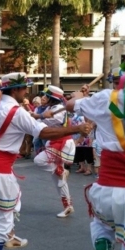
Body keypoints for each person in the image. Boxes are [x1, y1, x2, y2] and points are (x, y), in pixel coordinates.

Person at [0, 72, 91, 250]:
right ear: (16, 89)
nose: (27, 91)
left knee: (12, 202)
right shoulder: (16, 111)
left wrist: (42, 114)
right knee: (1, 217)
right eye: (24, 88)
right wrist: (76, 129)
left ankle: (9, 236)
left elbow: (30, 119)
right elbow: (42, 131)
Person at [65, 51, 125, 250]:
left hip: (108, 187)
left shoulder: (106, 99)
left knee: (101, 223)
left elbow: (69, 105)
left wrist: (79, 96)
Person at [33, 85, 76, 218]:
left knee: (38, 160)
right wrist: (38, 115)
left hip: (62, 142)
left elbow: (50, 120)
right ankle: (67, 206)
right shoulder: (52, 108)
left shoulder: (58, 109)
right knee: (58, 179)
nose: (44, 98)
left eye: (47, 96)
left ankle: (62, 171)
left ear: (52, 98)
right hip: (56, 141)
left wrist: (38, 116)